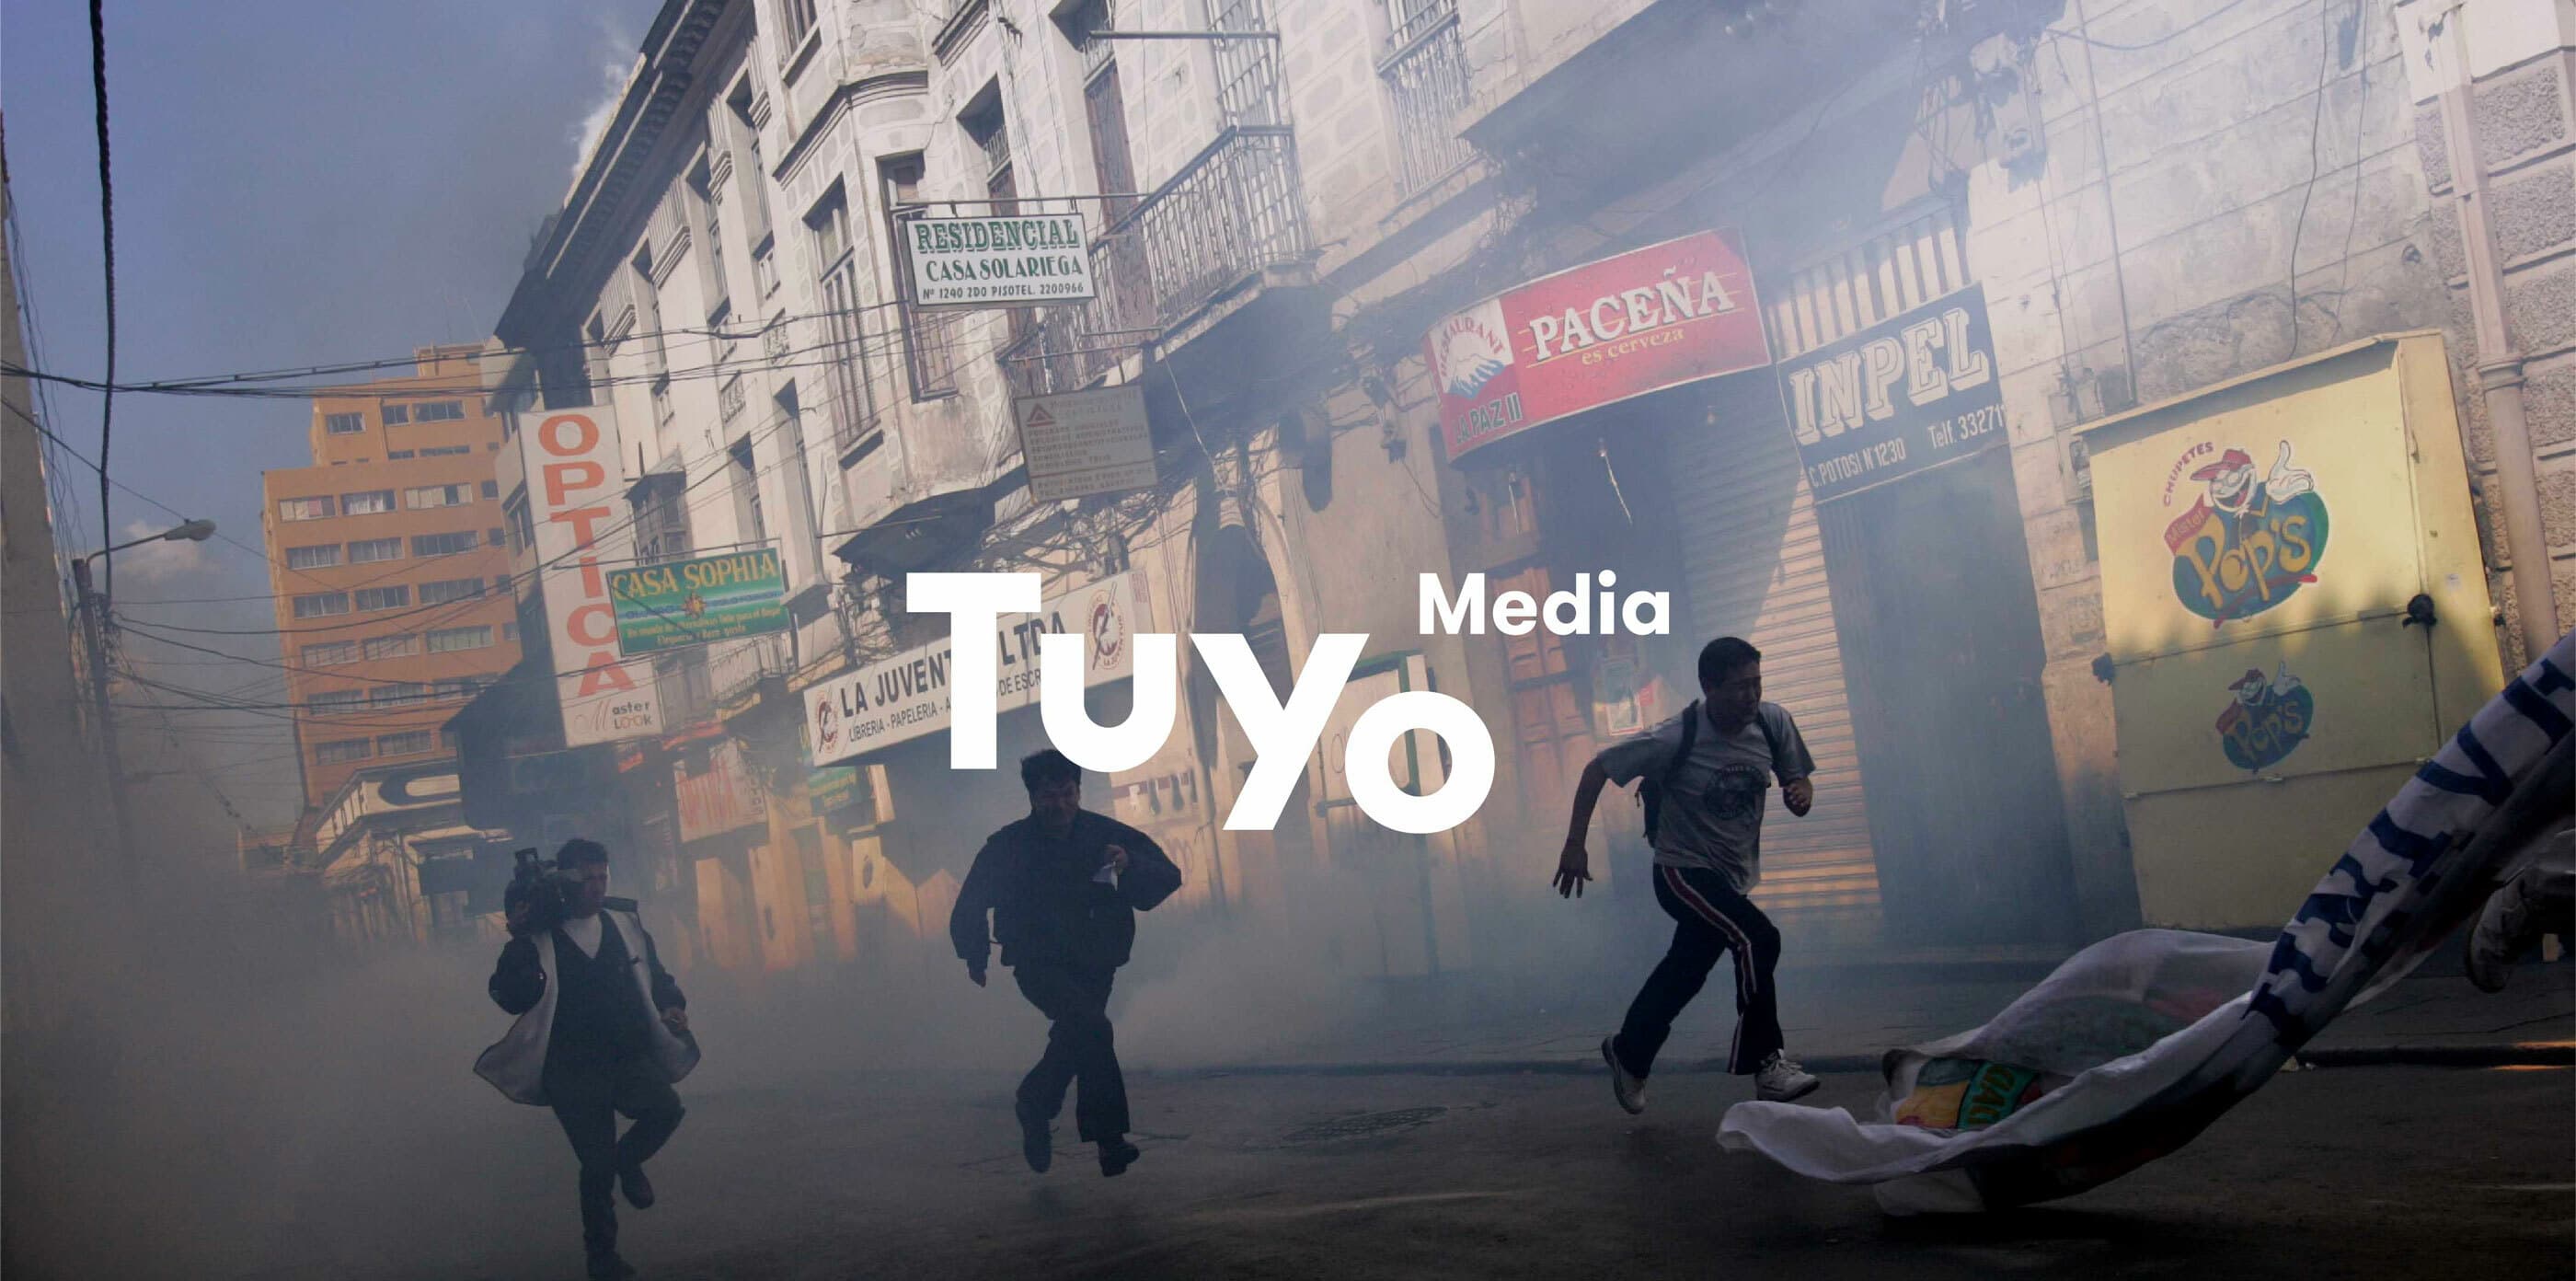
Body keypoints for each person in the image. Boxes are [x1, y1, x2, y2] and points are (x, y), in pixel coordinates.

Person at [1555, 637, 1822, 1113]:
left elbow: (1797, 777)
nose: (1752, 697)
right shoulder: (1674, 736)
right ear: (1708, 686)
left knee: (1685, 972)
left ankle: (1629, 1052)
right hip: (1682, 873)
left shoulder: (1772, 722)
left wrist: (1800, 793)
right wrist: (1575, 844)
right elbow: (1597, 770)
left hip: (1731, 877)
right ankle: (1767, 1064)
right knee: (1757, 939)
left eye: (1757, 684)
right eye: (1740, 688)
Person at [952, 749, 1182, 1177]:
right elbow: (973, 899)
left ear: (1078, 791)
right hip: (1038, 963)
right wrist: (975, 953)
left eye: (1067, 793)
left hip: (1096, 961)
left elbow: (1167, 876)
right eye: (1048, 796)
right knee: (1092, 1028)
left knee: (1078, 1037)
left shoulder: (1106, 835)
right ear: (1032, 798)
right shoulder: (1009, 846)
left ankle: (1035, 1102)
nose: (1059, 805)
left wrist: (1129, 866)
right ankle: (1109, 1141)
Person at [477, 839, 696, 1281]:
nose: (597, 887)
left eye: (603, 877)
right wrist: (518, 939)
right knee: (595, 1166)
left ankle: (628, 1160)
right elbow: (509, 995)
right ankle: (602, 1256)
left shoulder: (624, 923)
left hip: (626, 1055)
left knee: (666, 1109)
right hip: (570, 1069)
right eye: (588, 878)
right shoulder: (539, 935)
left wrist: (671, 1003)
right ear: (567, 881)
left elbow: (657, 977)